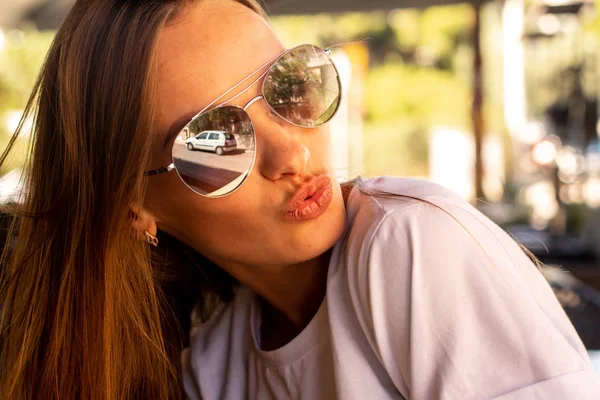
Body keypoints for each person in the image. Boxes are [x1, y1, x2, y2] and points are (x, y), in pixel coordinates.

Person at [0, 0, 599, 399]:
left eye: (287, 86)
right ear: (136, 207)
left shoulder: (409, 244)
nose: (291, 153)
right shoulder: (212, 364)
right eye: (214, 142)